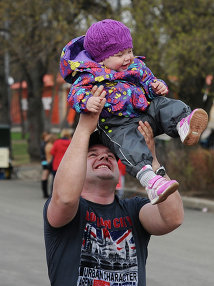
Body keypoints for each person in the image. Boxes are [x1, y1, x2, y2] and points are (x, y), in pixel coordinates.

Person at [43, 86, 184, 286]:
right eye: (92, 154)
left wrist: (153, 159)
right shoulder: (68, 210)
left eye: (109, 154)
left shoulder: (134, 210)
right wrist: (84, 128)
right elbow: (65, 197)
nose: (104, 156)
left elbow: (173, 218)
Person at [60, 19, 209, 204]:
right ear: (101, 59)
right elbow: (75, 93)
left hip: (144, 111)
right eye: (120, 54)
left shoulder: (135, 66)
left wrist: (156, 86)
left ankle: (183, 124)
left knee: (163, 104)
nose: (128, 58)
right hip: (117, 125)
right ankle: (151, 181)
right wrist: (87, 101)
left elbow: (149, 80)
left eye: (130, 51)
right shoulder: (90, 75)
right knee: (131, 147)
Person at [40, 132, 57, 198]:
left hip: (44, 160)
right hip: (45, 161)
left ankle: (45, 192)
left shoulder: (44, 144)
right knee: (46, 175)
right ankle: (45, 192)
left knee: (45, 175)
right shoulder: (46, 144)